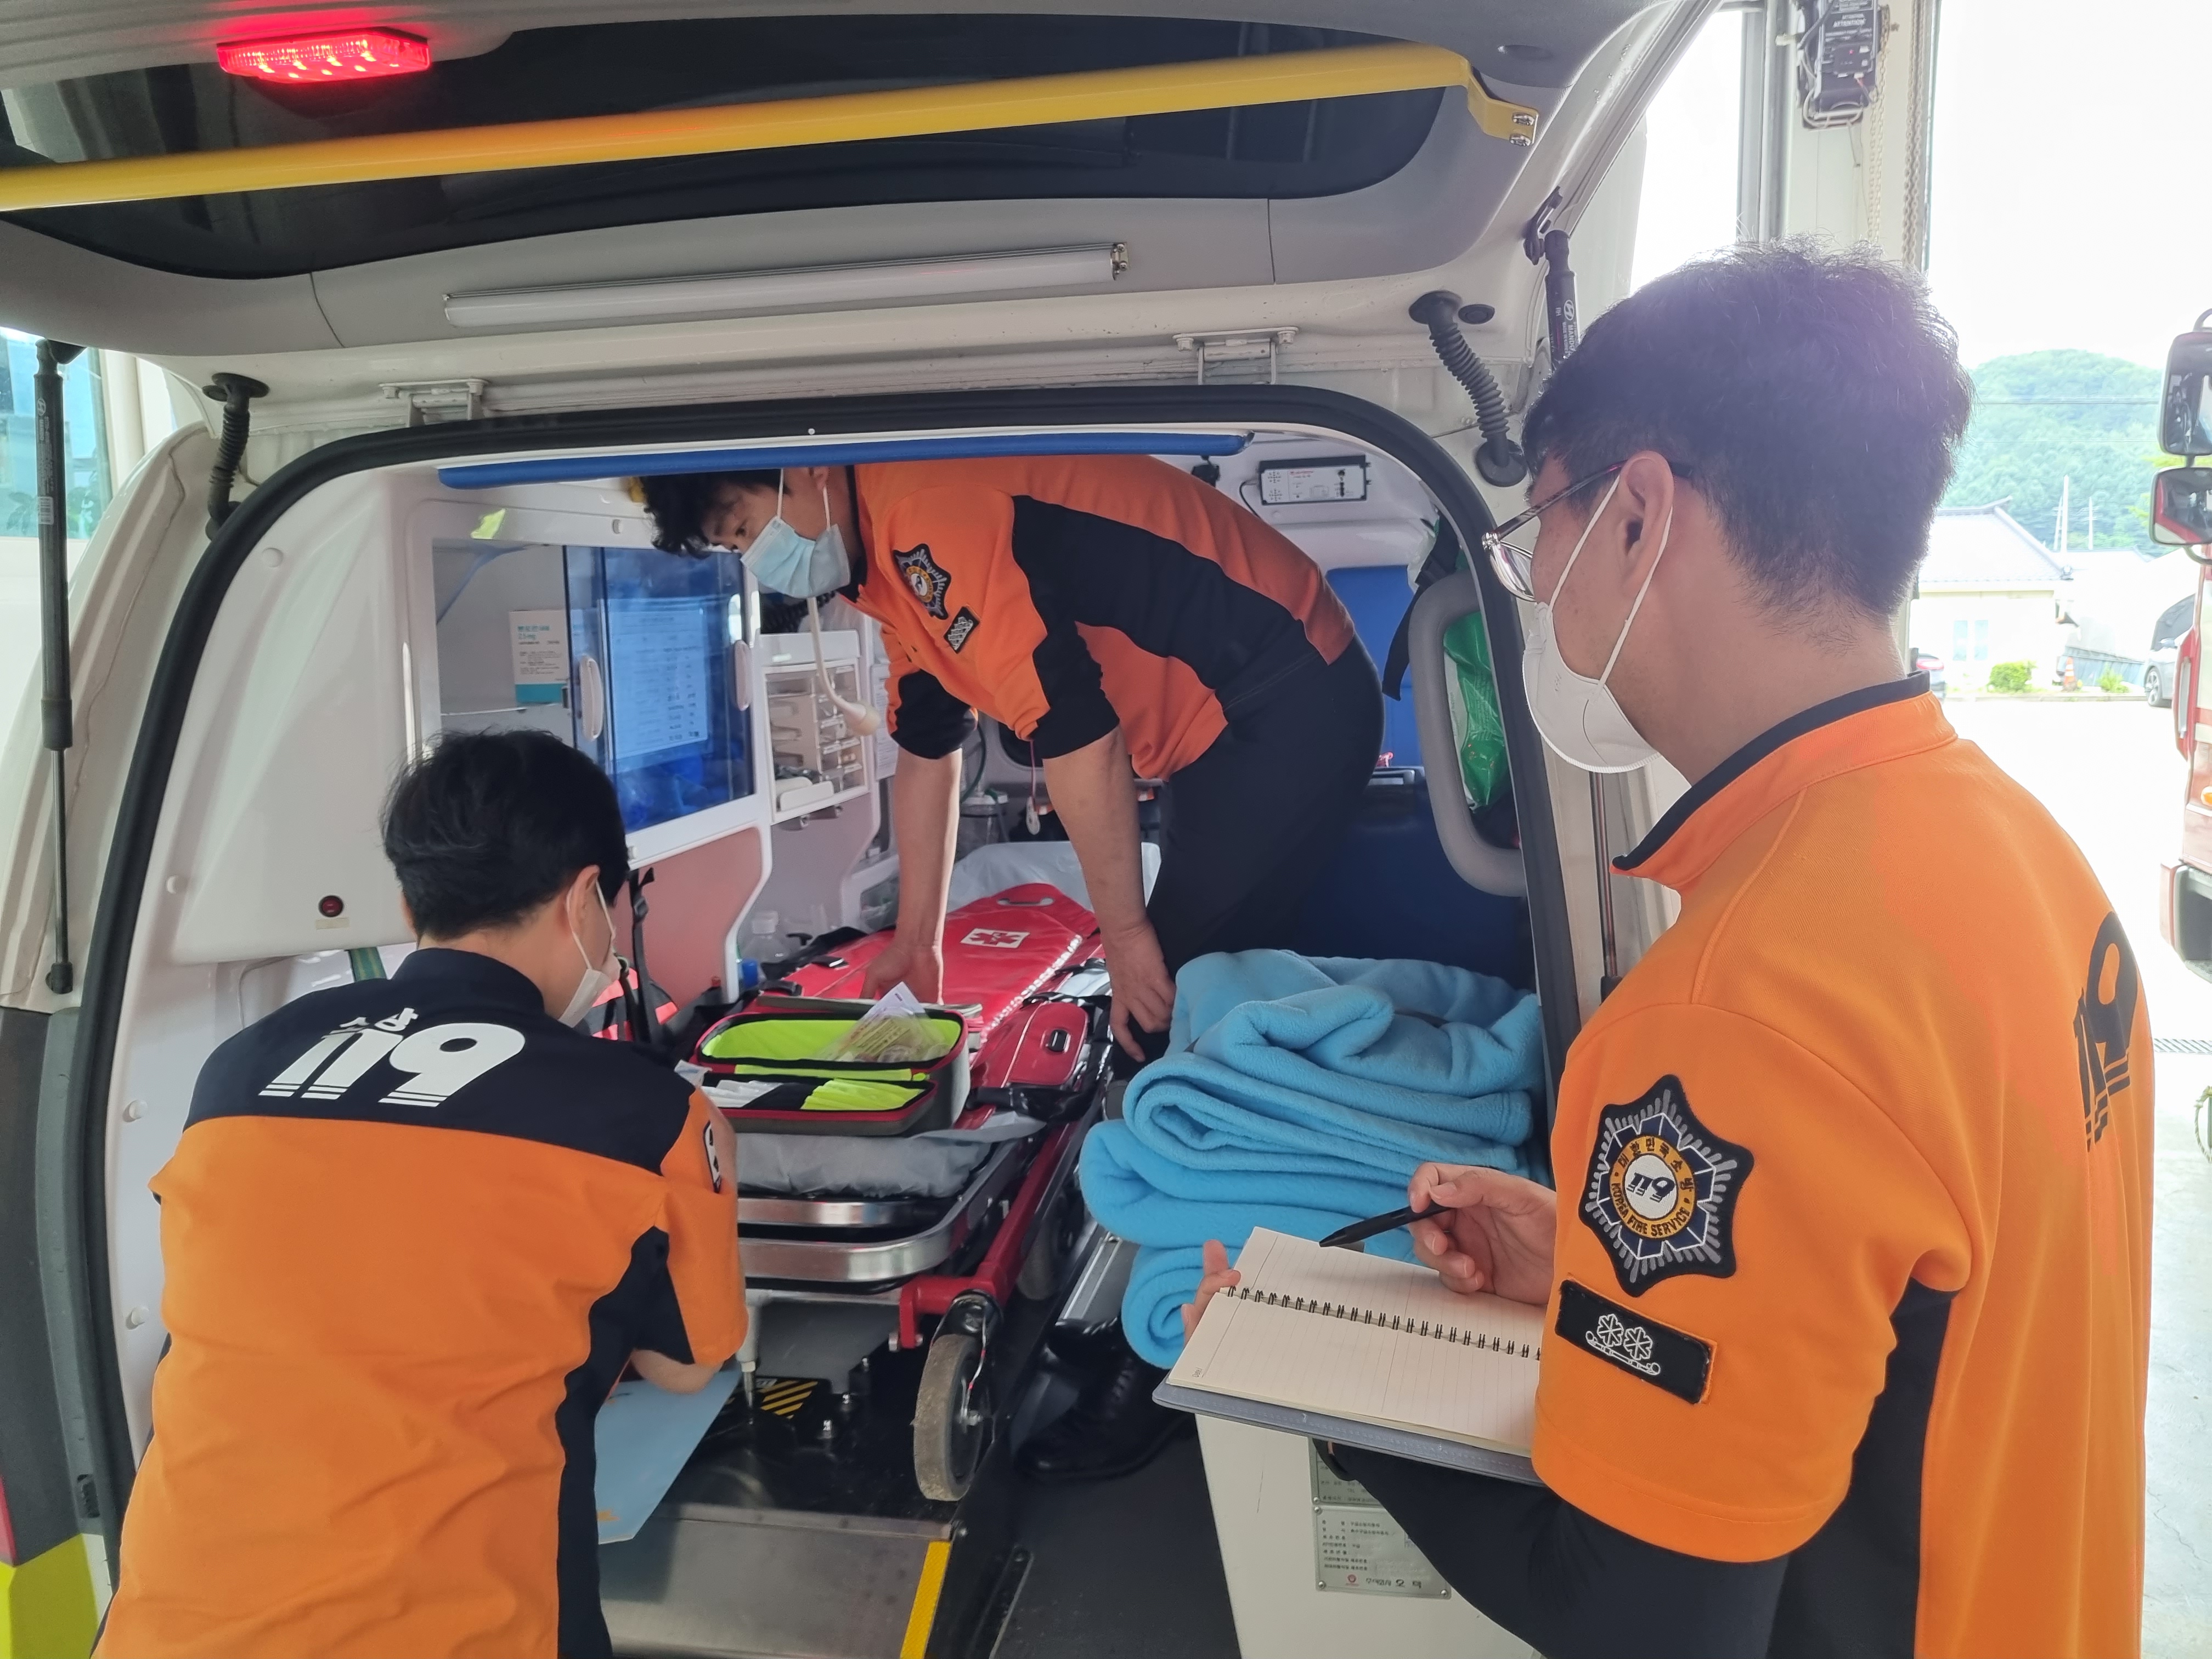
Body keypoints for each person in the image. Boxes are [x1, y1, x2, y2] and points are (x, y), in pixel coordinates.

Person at [1182, 242, 2152, 1658]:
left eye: (1539, 526)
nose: (1534, 580)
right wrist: (1596, 1273)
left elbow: (1638, 1623)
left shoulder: (1729, 1019)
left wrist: (1333, 1409)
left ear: (1638, 517)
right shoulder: (2025, 854)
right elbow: (1901, 1324)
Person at [641, 453, 1381, 1481]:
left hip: (1284, 696)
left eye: (743, 525)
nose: (758, 557)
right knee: (1185, 1008)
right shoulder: (879, 567)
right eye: (733, 548)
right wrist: (918, 938)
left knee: (1161, 1023)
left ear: (801, 470)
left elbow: (1079, 735)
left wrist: (1126, 938)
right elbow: (928, 746)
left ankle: (1168, 1353)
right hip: (1222, 726)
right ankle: (1191, 1291)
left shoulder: (925, 517)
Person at [100, 731, 746, 1659]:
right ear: (585, 901)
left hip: (170, 1629)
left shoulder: (241, 1068)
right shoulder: (649, 1117)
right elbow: (686, 1366)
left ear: (410, 905)